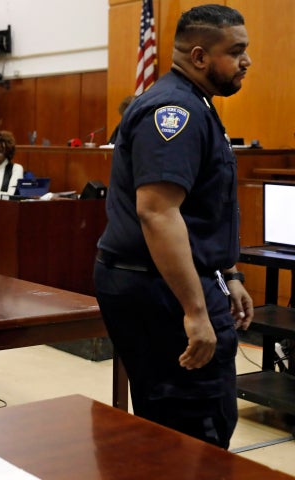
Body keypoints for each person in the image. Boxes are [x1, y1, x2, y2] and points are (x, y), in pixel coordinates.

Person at [93, 4, 253, 449]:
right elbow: (157, 212)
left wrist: (229, 273)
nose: (247, 61)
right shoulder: (175, 110)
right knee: (192, 424)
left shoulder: (195, 102)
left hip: (175, 282)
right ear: (199, 57)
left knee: (198, 415)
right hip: (160, 290)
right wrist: (197, 311)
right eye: (236, 51)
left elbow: (202, 210)